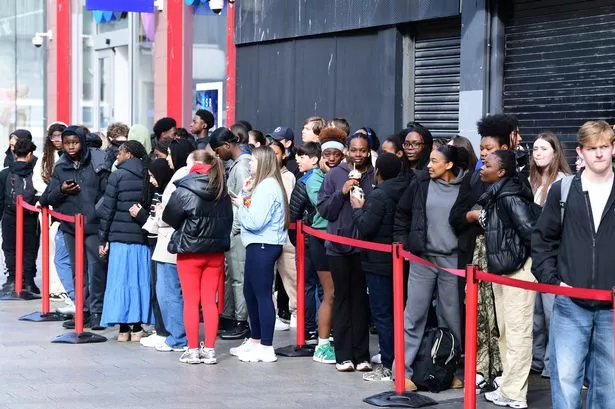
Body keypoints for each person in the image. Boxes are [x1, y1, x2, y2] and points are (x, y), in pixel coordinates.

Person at [532, 120, 615, 409]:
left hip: (612, 307)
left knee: (609, 389)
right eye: (592, 148)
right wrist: (554, 282)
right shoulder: (563, 191)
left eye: (604, 147)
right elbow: (542, 240)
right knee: (566, 384)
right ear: (581, 152)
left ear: (613, 148)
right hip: (570, 304)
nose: (599, 154)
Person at [394, 145, 467, 391]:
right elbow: (402, 214)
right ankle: (401, 371)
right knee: (414, 316)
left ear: (449, 165)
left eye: (434, 161)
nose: (428, 165)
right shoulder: (421, 183)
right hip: (423, 260)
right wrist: (405, 245)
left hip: (453, 262)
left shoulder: (467, 187)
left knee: (452, 319)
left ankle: (448, 372)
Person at [449, 117, 512, 391]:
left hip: (504, 259)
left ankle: (500, 370)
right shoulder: (473, 179)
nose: (484, 153)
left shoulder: (513, 180)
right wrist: (473, 216)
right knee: (475, 313)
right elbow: (456, 217)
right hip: (473, 255)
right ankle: (476, 367)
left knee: (502, 317)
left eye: (489, 149)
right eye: (482, 148)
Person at [477, 150, 537, 409]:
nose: (481, 166)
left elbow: (531, 233)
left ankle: (515, 394)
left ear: (501, 172)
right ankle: (509, 385)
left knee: (518, 333)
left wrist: (526, 263)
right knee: (506, 332)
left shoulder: (510, 197)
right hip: (503, 270)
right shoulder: (497, 194)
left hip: (519, 271)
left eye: (487, 164)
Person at [162, 150, 233, 364]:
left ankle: (193, 349)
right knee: (210, 302)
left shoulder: (184, 188)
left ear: (193, 164)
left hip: (190, 251)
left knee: (191, 301)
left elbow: (169, 217)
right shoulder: (222, 189)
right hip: (215, 252)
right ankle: (209, 350)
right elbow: (228, 220)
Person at [40, 125, 110, 330]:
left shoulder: (97, 164)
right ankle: (83, 311)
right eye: (67, 142)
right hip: (71, 227)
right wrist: (62, 190)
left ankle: (97, 311)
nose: (71, 147)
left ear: (82, 142)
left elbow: (107, 193)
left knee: (96, 268)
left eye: (75, 142)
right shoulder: (61, 167)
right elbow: (47, 199)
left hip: (93, 226)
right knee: (77, 271)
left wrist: (96, 213)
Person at [317, 131, 375, 372]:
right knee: (341, 298)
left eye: (363, 150)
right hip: (338, 248)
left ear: (368, 151)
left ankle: (362, 355)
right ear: (347, 151)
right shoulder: (334, 175)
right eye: (354, 150)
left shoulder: (374, 174)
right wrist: (342, 192)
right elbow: (324, 210)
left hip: (365, 247)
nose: (358, 154)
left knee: (361, 300)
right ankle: (343, 355)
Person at [351, 152, 409, 381]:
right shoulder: (407, 188)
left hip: (378, 261)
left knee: (383, 314)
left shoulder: (379, 195)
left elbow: (365, 226)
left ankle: (388, 363)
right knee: (400, 312)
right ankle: (399, 358)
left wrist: (357, 207)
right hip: (401, 261)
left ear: (379, 171)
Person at [229, 146, 288, 363]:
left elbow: (254, 221)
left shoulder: (267, 187)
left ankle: (266, 345)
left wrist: (242, 205)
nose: (250, 164)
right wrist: (245, 195)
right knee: (250, 292)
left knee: (262, 294)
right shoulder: (263, 185)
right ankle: (255, 340)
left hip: (263, 244)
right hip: (259, 244)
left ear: (262, 162)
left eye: (253, 161)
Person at [99, 141, 154, 341]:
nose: (116, 156)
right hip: (141, 237)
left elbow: (108, 210)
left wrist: (103, 238)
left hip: (119, 238)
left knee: (120, 281)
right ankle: (138, 328)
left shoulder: (117, 176)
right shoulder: (148, 174)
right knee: (139, 281)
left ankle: (123, 329)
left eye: (120, 152)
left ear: (129, 154)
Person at [528, 132, 572, 378]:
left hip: (552, 257)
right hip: (531, 257)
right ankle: (537, 359)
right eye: (535, 149)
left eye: (544, 149)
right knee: (535, 316)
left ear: (555, 153)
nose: (538, 153)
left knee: (552, 314)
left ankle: (551, 363)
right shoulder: (532, 180)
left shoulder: (563, 182)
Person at [150, 139, 195, 352]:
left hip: (171, 240)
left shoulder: (181, 175)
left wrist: (160, 213)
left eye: (169, 154)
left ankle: (176, 337)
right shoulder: (194, 175)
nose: (167, 158)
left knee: (168, 291)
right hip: (183, 241)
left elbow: (171, 212)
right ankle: (178, 334)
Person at [307, 127, 348, 363]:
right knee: (330, 293)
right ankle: (322, 345)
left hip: (342, 240)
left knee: (341, 293)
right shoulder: (315, 179)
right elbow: (323, 206)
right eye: (327, 155)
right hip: (322, 239)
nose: (332, 159)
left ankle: (338, 339)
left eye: (336, 154)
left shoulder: (347, 173)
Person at [209, 127, 251, 340]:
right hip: (234, 229)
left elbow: (244, 200)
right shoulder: (237, 165)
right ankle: (231, 315)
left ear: (227, 145)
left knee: (238, 277)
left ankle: (241, 320)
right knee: (231, 277)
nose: (217, 155)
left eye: (218, 150)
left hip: (238, 231)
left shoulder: (242, 167)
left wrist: (234, 229)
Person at [130, 158, 174, 348]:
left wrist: (141, 216)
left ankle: (165, 330)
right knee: (157, 288)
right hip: (154, 243)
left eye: (152, 176)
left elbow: (160, 223)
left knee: (162, 289)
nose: (150, 180)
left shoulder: (167, 193)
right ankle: (161, 328)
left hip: (161, 244)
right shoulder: (158, 192)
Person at [33, 122, 70, 301]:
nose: (57, 140)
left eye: (59, 136)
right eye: (53, 136)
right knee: (50, 248)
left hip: (65, 206)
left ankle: (63, 286)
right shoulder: (44, 157)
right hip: (48, 207)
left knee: (63, 249)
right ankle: (52, 286)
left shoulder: (70, 155)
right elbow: (36, 180)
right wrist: (52, 191)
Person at [289, 141, 322, 341]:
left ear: (314, 159)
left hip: (308, 241)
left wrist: (297, 239)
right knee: (323, 288)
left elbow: (294, 213)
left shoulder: (304, 182)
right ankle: (325, 330)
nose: (297, 160)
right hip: (320, 240)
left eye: (302, 157)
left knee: (309, 286)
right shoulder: (328, 179)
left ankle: (310, 329)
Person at [0, 139, 39, 297]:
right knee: (30, 248)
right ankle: (29, 281)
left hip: (9, 215)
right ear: (30, 154)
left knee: (9, 248)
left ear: (14, 153)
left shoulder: (5, 173)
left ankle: (12, 280)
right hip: (30, 216)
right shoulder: (34, 173)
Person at [270, 140, 297, 329]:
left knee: (290, 276)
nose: (273, 158)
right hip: (267, 235)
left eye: (276, 153)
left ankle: (296, 313)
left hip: (284, 235)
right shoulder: (262, 176)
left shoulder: (287, 178)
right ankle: (278, 314)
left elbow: (285, 206)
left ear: (284, 155)